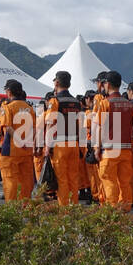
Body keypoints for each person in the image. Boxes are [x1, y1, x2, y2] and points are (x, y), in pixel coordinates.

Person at [96, 71, 133, 211]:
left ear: (108, 84)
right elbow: (132, 126)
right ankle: (125, 207)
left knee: (109, 180)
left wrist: (96, 148)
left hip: (110, 150)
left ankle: (112, 209)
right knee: (125, 182)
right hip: (126, 149)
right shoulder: (129, 104)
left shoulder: (105, 103)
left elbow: (100, 127)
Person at [44, 71, 84, 206]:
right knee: (73, 177)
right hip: (74, 143)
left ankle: (64, 208)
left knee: (62, 179)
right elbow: (81, 125)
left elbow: (50, 124)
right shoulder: (77, 102)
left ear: (57, 83)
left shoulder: (54, 101)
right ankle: (74, 205)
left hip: (59, 144)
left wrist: (47, 146)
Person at [0, 79, 37, 201]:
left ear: (9, 92)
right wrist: (27, 142)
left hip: (11, 150)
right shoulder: (29, 108)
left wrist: (20, 141)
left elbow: (8, 127)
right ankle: (24, 206)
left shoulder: (8, 108)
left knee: (10, 180)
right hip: (26, 150)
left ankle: (12, 208)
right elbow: (35, 129)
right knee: (26, 180)